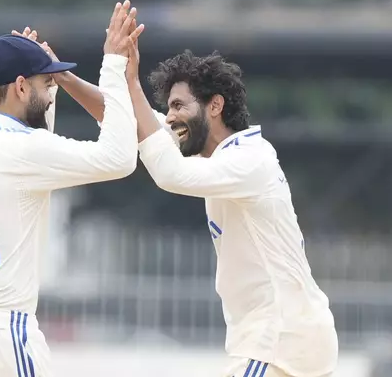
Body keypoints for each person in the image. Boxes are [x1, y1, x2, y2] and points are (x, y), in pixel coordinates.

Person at [31, 19, 339, 377]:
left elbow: (169, 174)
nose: (172, 116)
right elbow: (128, 124)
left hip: (280, 341)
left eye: (179, 106)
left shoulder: (249, 158)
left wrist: (126, 79)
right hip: (282, 338)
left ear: (215, 106)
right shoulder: (214, 152)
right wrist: (63, 76)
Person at [0, 0, 143, 377]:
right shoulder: (20, 150)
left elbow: (37, 147)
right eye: (47, 84)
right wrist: (113, 66)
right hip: (1, 332)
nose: (52, 90)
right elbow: (121, 158)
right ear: (21, 87)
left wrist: (39, 69)